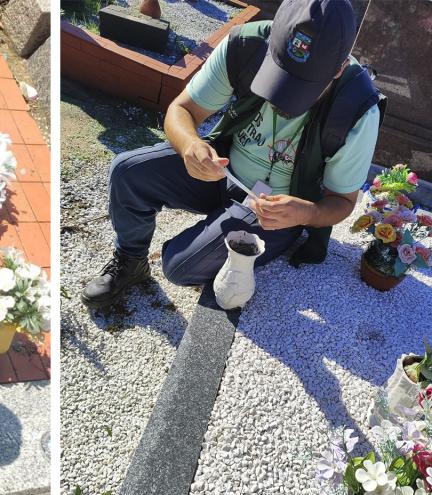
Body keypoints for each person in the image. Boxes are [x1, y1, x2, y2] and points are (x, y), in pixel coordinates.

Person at [81, 0, 383, 309]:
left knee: (177, 265)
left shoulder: (356, 109)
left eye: (301, 88)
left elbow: (343, 201)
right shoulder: (246, 45)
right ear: (273, 36)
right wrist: (190, 146)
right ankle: (131, 262)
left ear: (340, 69)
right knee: (127, 171)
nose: (283, 99)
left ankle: (256, 232)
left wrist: (305, 213)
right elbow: (181, 110)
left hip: (275, 211)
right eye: (279, 74)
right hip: (223, 169)